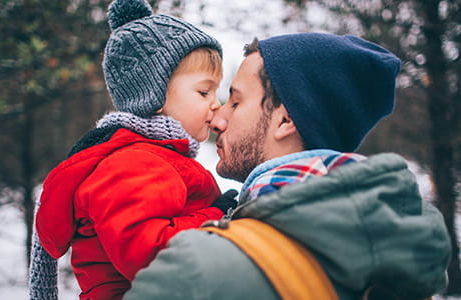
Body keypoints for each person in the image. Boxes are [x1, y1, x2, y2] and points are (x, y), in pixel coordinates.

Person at [122, 33, 452, 300]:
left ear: (285, 120)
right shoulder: (404, 256)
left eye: (236, 102)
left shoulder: (198, 269)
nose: (218, 119)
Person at [28, 0, 238, 299]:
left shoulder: (156, 156)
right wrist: (217, 217)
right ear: (154, 94)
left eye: (216, 91)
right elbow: (151, 257)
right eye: (204, 91)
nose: (215, 102)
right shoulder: (134, 163)